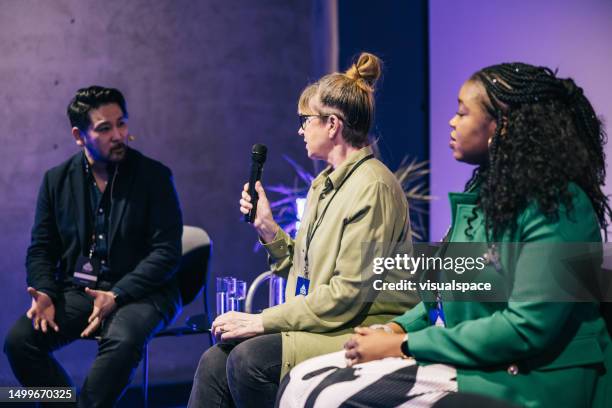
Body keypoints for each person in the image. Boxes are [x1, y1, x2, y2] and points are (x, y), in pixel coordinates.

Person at [277, 62, 612, 408]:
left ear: (503, 125)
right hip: (483, 366)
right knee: (302, 381)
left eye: (463, 113)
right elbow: (443, 298)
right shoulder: (490, 200)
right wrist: (394, 329)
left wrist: (405, 345)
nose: (452, 122)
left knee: (334, 396)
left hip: (535, 383)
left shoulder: (559, 206)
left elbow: (526, 328)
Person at [187, 52, 415, 408]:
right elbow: (306, 272)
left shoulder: (373, 186)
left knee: (249, 361)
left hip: (361, 328)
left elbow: (346, 296)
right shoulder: (324, 183)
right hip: (328, 322)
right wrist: (268, 230)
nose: (299, 129)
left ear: (332, 125)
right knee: (215, 360)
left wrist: (262, 321)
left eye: (305, 120)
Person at [3, 86, 183, 407]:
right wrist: (43, 290)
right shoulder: (56, 180)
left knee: (122, 340)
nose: (118, 135)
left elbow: (166, 253)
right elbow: (41, 248)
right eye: (104, 128)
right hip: (82, 292)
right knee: (19, 343)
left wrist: (117, 294)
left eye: (122, 124)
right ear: (79, 135)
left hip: (142, 292)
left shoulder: (154, 177)